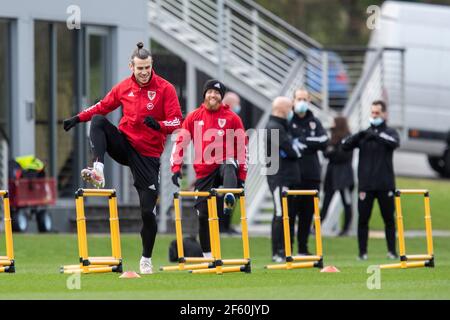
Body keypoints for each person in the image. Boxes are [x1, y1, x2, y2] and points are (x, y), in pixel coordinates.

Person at [62, 42, 183, 274]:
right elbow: (103, 105)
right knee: (98, 119)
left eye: (147, 67)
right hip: (125, 144)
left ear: (152, 65)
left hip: (147, 156)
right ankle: (98, 169)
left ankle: (146, 259)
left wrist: (158, 125)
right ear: (131, 67)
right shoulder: (124, 87)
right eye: (140, 68)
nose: (144, 72)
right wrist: (77, 118)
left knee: (148, 212)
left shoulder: (165, 89)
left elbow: (177, 121)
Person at [170, 79, 248, 257]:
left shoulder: (232, 118)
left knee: (229, 162)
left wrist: (241, 178)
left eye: (217, 93)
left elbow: (243, 149)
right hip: (204, 172)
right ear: (204, 94)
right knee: (203, 216)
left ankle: (229, 196)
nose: (213, 95)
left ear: (222, 97)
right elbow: (180, 143)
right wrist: (176, 168)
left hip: (224, 167)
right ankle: (207, 257)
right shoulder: (193, 117)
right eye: (210, 92)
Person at [342, 100, 399, 260]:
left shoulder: (389, 132)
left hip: (385, 184)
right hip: (366, 185)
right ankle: (362, 253)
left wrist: (376, 136)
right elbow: (345, 145)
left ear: (384, 114)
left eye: (377, 113)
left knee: (389, 219)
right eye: (372, 112)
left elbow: (394, 143)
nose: (374, 115)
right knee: (363, 219)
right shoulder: (364, 134)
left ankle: (392, 251)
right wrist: (359, 135)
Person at [288, 88, 328, 255]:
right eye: (299, 99)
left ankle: (303, 249)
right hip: (293, 175)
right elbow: (287, 141)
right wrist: (308, 145)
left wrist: (303, 141)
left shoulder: (315, 122)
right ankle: (287, 250)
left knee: (307, 214)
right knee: (290, 214)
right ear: (294, 100)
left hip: (311, 175)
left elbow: (324, 140)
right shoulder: (288, 121)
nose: (302, 102)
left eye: (305, 99)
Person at [265, 96, 302, 262]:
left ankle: (285, 250)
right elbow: (290, 150)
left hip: (287, 177)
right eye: (289, 108)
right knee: (280, 213)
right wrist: (295, 151)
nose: (291, 111)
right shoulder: (274, 127)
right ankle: (277, 252)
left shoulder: (283, 126)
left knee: (287, 214)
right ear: (281, 109)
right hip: (279, 178)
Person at [320, 117, 354, 236]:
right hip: (331, 176)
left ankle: (346, 229)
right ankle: (316, 226)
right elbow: (326, 152)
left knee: (346, 202)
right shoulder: (333, 138)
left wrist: (332, 152)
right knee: (326, 202)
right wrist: (332, 151)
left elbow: (342, 155)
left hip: (343, 176)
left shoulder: (347, 138)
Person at [218, 91, 242, 234]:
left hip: (233, 161)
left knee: (232, 193)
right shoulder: (222, 119)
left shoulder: (235, 119)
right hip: (221, 163)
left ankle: (226, 225)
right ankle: (221, 226)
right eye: (237, 104)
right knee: (223, 194)